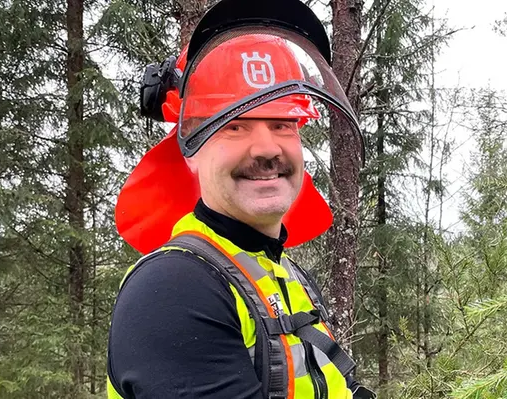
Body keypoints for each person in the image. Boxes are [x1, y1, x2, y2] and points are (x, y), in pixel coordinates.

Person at [106, 0, 374, 398]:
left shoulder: (286, 276)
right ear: (191, 152)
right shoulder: (174, 289)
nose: (266, 148)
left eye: (282, 123)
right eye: (236, 126)